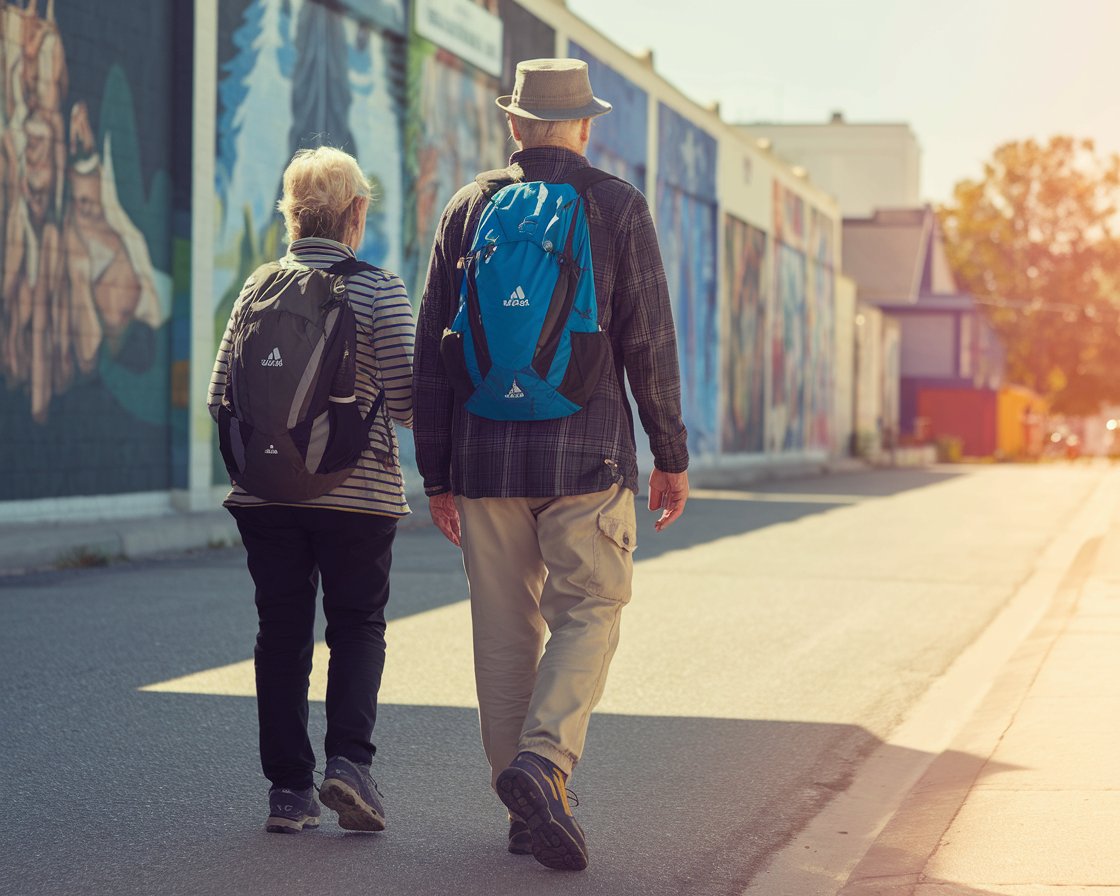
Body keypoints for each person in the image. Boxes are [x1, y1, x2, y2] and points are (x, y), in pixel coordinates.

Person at [412, 58, 689, 871]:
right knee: (591, 608)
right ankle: (544, 765)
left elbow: (437, 350)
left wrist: (437, 472)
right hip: (587, 451)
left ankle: (523, 808)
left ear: (514, 125)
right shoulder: (616, 207)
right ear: (585, 126)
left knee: (504, 634)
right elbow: (651, 342)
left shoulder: (469, 208)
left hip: (485, 455)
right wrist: (668, 453)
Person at [207, 146, 415, 835]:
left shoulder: (256, 285)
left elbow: (220, 396)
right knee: (356, 624)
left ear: (292, 216)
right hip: (359, 495)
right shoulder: (380, 289)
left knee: (282, 631)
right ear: (355, 214)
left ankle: (288, 793)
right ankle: (349, 765)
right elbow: (412, 400)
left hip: (265, 496)